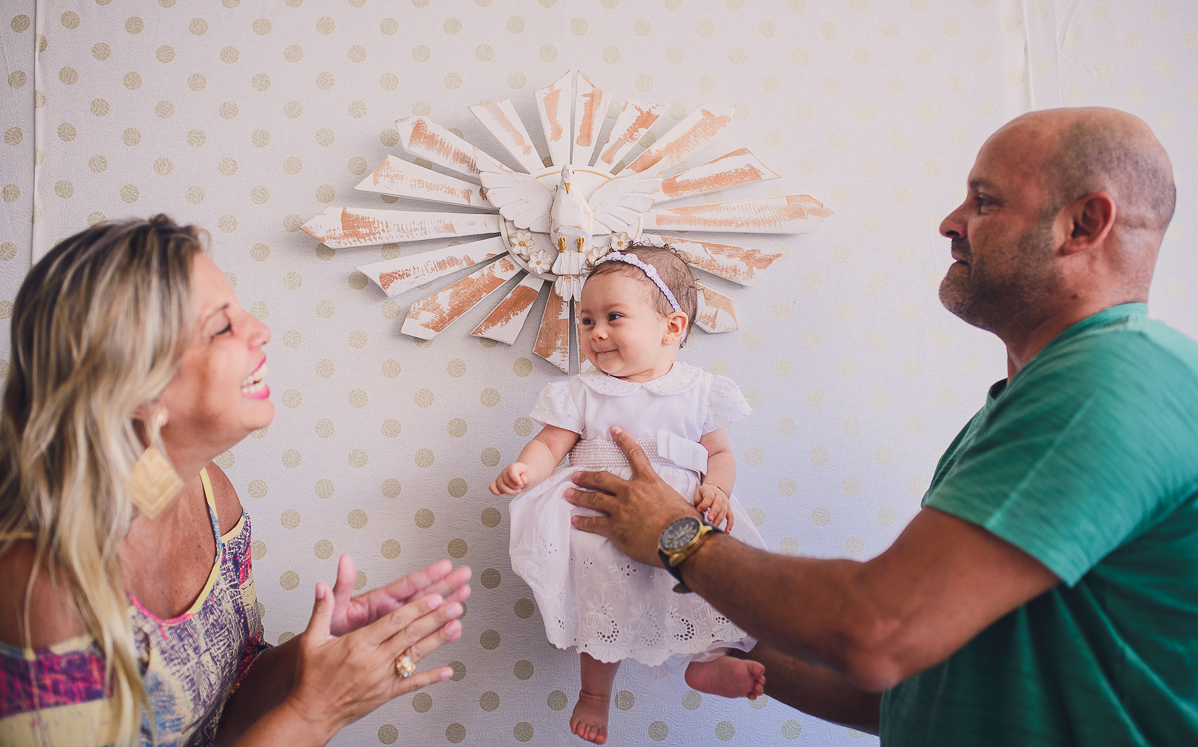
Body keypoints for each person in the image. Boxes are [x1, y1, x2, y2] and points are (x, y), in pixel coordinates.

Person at [564, 107, 1198, 745]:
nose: (950, 223)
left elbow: (879, 635)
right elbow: (908, 688)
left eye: (984, 200)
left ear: (1084, 223)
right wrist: (702, 623)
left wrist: (679, 539)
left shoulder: (1111, 380)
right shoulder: (1021, 403)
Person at [0, 216, 472, 746]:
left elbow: (229, 703)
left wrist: (312, 660)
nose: (260, 330)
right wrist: (314, 715)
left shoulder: (210, 496)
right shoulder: (42, 585)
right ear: (133, 387)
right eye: (222, 327)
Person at [489, 245, 767, 744]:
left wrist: (717, 491)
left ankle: (708, 661)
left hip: (681, 512)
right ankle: (595, 694)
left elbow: (720, 454)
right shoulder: (581, 391)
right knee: (605, 605)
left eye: (614, 317)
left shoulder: (701, 391)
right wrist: (525, 471)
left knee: (705, 586)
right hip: (599, 519)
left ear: (672, 327)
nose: (596, 332)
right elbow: (550, 445)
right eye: (587, 319)